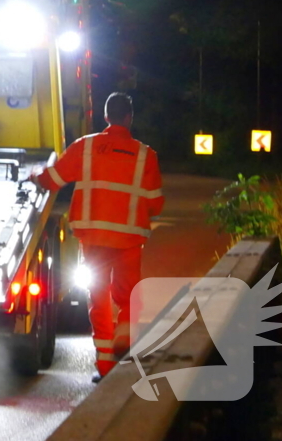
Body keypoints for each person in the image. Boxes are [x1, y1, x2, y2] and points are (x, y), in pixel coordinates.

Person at [30, 92, 164, 382]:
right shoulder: (146, 155)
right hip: (129, 240)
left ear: (105, 116)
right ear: (129, 118)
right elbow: (155, 203)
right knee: (129, 297)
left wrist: (34, 175)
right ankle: (124, 344)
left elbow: (53, 179)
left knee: (98, 298)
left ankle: (104, 366)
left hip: (93, 239)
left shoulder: (86, 147)